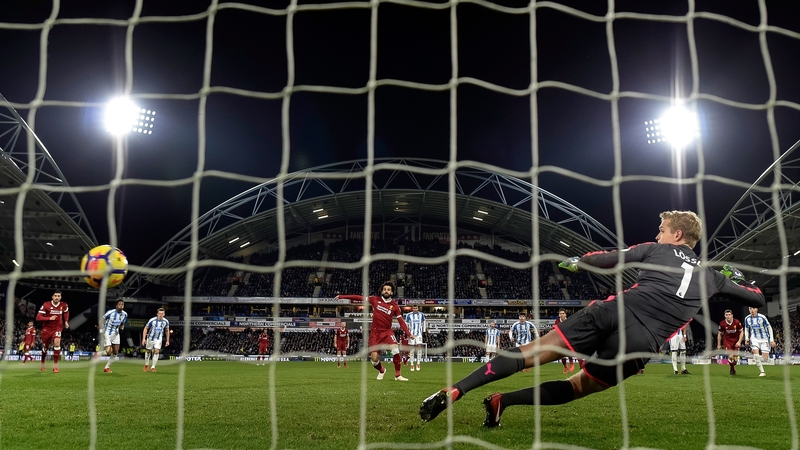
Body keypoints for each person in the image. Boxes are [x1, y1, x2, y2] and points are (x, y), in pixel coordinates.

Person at [419, 210, 766, 427]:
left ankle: (456, 389)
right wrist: (739, 280)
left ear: (676, 235)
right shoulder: (713, 277)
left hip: (613, 311)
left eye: (662, 229)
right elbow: (758, 298)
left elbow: (610, 259)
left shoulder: (656, 249)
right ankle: (502, 402)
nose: (658, 233)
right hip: (640, 345)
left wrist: (579, 260)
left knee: (530, 353)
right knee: (576, 387)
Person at [335, 281, 412, 381]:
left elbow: (401, 321)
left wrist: (408, 333)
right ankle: (382, 370)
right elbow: (358, 297)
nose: (386, 291)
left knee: (395, 349)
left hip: (387, 332)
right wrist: (342, 296)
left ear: (392, 292)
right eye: (385, 289)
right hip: (375, 333)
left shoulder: (395, 306)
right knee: (374, 360)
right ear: (382, 290)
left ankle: (398, 375)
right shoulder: (375, 299)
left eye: (389, 290)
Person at [35, 290, 69, 373]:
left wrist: (66, 321)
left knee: (57, 343)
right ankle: (43, 361)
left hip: (58, 328)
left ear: (60, 297)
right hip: (47, 329)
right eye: (55, 296)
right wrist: (49, 318)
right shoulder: (46, 305)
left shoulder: (63, 305)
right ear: (52, 297)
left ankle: (55, 366)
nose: (57, 297)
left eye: (58, 296)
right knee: (45, 347)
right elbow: (38, 317)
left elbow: (66, 312)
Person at [744, 306, 775, 377]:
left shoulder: (762, 317)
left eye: (753, 308)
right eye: (750, 309)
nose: (752, 310)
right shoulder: (747, 318)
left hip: (764, 339)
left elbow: (769, 327)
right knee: (756, 355)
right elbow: (746, 329)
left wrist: (771, 340)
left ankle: (759, 360)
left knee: (765, 358)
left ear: (757, 309)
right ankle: (762, 371)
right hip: (754, 338)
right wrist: (746, 338)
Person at [101, 299, 128, 373]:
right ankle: (101, 352)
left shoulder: (125, 314)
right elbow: (101, 320)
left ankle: (107, 367)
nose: (121, 305)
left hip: (116, 334)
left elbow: (122, 323)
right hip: (107, 333)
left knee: (115, 352)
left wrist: (122, 328)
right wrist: (101, 330)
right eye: (119, 304)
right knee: (109, 352)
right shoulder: (110, 313)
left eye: (122, 304)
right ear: (116, 305)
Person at [142, 308, 170, 372]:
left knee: (156, 351)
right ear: (157, 314)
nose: (160, 315)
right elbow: (146, 328)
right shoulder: (152, 320)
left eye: (162, 313)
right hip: (150, 338)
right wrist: (144, 339)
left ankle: (153, 367)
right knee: (148, 351)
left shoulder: (166, 321)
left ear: (164, 314)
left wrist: (167, 340)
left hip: (158, 338)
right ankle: (146, 365)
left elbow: (167, 330)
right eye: (159, 313)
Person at [717, 309, 744, 375]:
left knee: (735, 359)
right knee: (731, 356)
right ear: (724, 316)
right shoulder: (722, 323)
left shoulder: (737, 322)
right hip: (727, 341)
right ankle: (732, 369)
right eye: (726, 315)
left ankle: (732, 367)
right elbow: (719, 334)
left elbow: (741, 332)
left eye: (729, 315)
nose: (728, 316)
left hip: (736, 341)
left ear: (732, 315)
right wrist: (719, 344)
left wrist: (739, 341)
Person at [405, 305, 426, 371]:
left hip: (419, 334)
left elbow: (424, 322)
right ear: (412, 308)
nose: (415, 309)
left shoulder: (421, 315)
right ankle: (411, 364)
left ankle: (418, 363)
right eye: (413, 308)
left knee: (419, 347)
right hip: (411, 334)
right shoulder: (408, 315)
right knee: (412, 349)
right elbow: (406, 324)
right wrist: (407, 333)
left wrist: (424, 331)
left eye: (416, 308)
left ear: (418, 308)